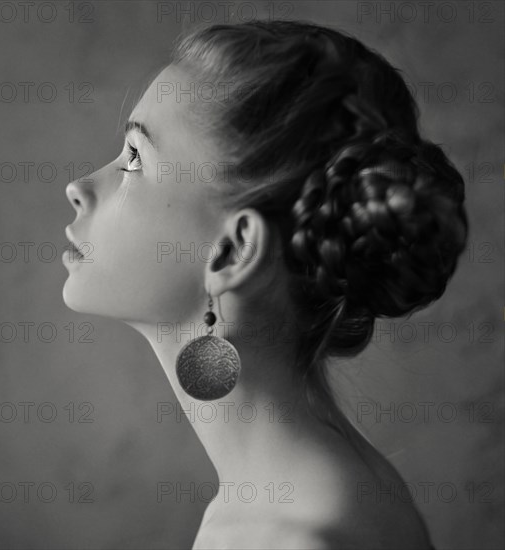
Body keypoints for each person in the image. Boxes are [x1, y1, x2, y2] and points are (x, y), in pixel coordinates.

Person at [63, 20, 467, 550]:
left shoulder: (300, 538)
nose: (79, 187)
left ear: (233, 251)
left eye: (135, 157)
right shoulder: (269, 503)